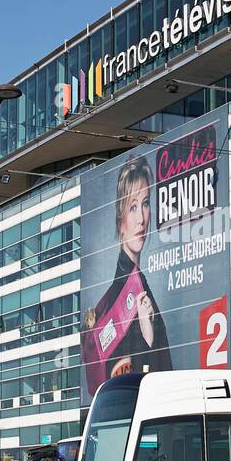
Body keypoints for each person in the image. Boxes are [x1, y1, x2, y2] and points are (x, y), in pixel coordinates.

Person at [82, 156, 172, 394]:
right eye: (132, 207)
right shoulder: (120, 300)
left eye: (145, 203)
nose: (142, 218)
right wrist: (147, 335)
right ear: (120, 221)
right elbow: (135, 389)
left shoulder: (138, 287)